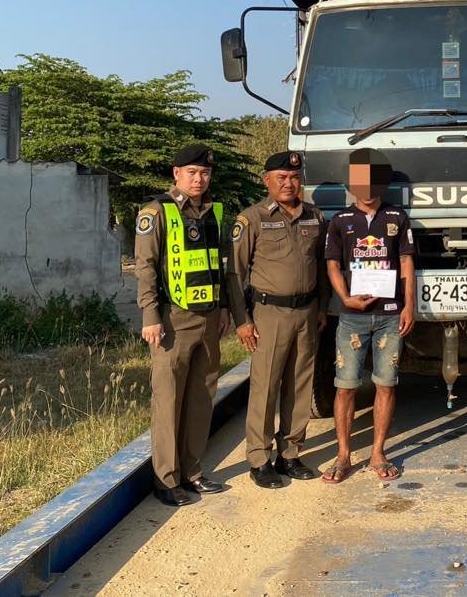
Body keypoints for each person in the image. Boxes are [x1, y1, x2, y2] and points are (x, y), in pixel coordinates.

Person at [134, 144, 230, 507]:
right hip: (172, 319)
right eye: (192, 172)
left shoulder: (213, 212)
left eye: (205, 173)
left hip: (208, 318)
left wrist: (223, 309)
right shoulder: (157, 210)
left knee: (201, 398)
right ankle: (166, 479)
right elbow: (145, 267)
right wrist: (150, 316)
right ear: (176, 173)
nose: (199, 178)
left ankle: (192, 472)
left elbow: (218, 265)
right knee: (169, 400)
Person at [229, 150, 327, 489]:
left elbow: (323, 267)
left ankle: (291, 454)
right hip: (268, 314)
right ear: (267, 181)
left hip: (307, 312)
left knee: (300, 385)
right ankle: (259, 459)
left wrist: (323, 308)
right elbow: (235, 274)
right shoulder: (252, 219)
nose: (288, 183)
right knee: (266, 386)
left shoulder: (315, 217)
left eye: (294, 178)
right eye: (281, 178)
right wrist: (242, 321)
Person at [323, 148, 416, 483]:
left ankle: (378, 452)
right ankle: (343, 454)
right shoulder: (340, 221)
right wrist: (346, 297)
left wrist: (409, 306)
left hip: (390, 316)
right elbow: (332, 264)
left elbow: (406, 262)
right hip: (352, 318)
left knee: (386, 385)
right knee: (346, 386)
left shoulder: (396, 218)